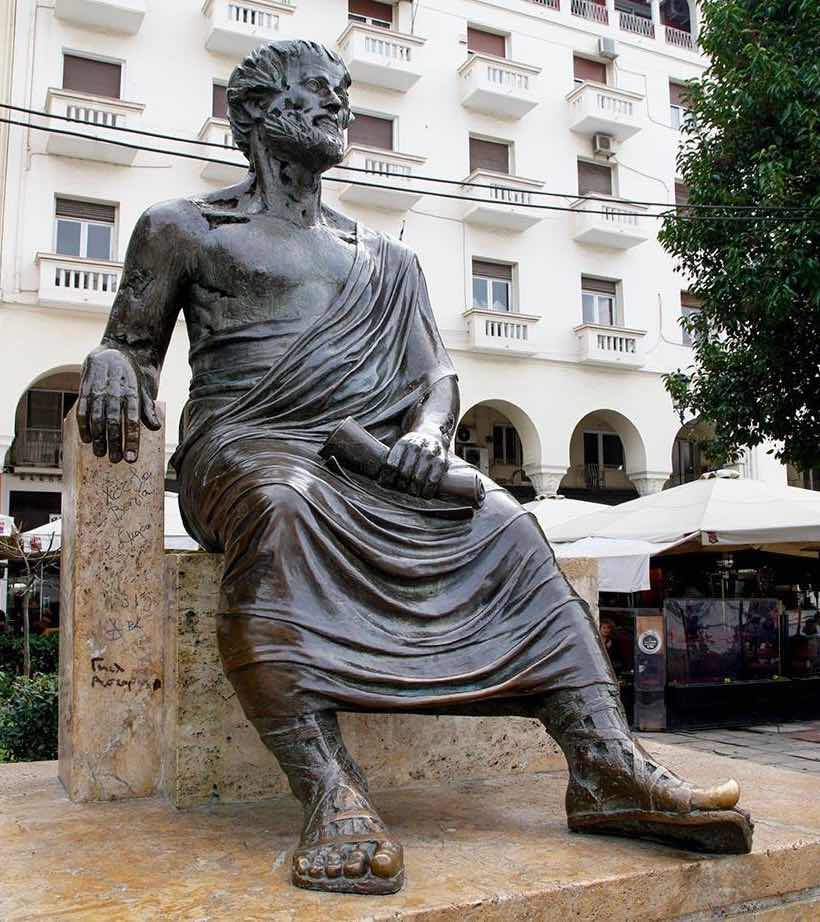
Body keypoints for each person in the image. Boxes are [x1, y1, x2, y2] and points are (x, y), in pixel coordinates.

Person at [76, 40, 752, 896]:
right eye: (313, 90)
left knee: (508, 525)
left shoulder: (385, 257)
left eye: (342, 91)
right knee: (286, 507)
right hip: (247, 446)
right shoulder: (184, 228)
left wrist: (431, 435)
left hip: (371, 458)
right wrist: (112, 359)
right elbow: (131, 344)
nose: (337, 104)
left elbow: (436, 377)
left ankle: (604, 764)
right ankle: (329, 789)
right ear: (252, 114)